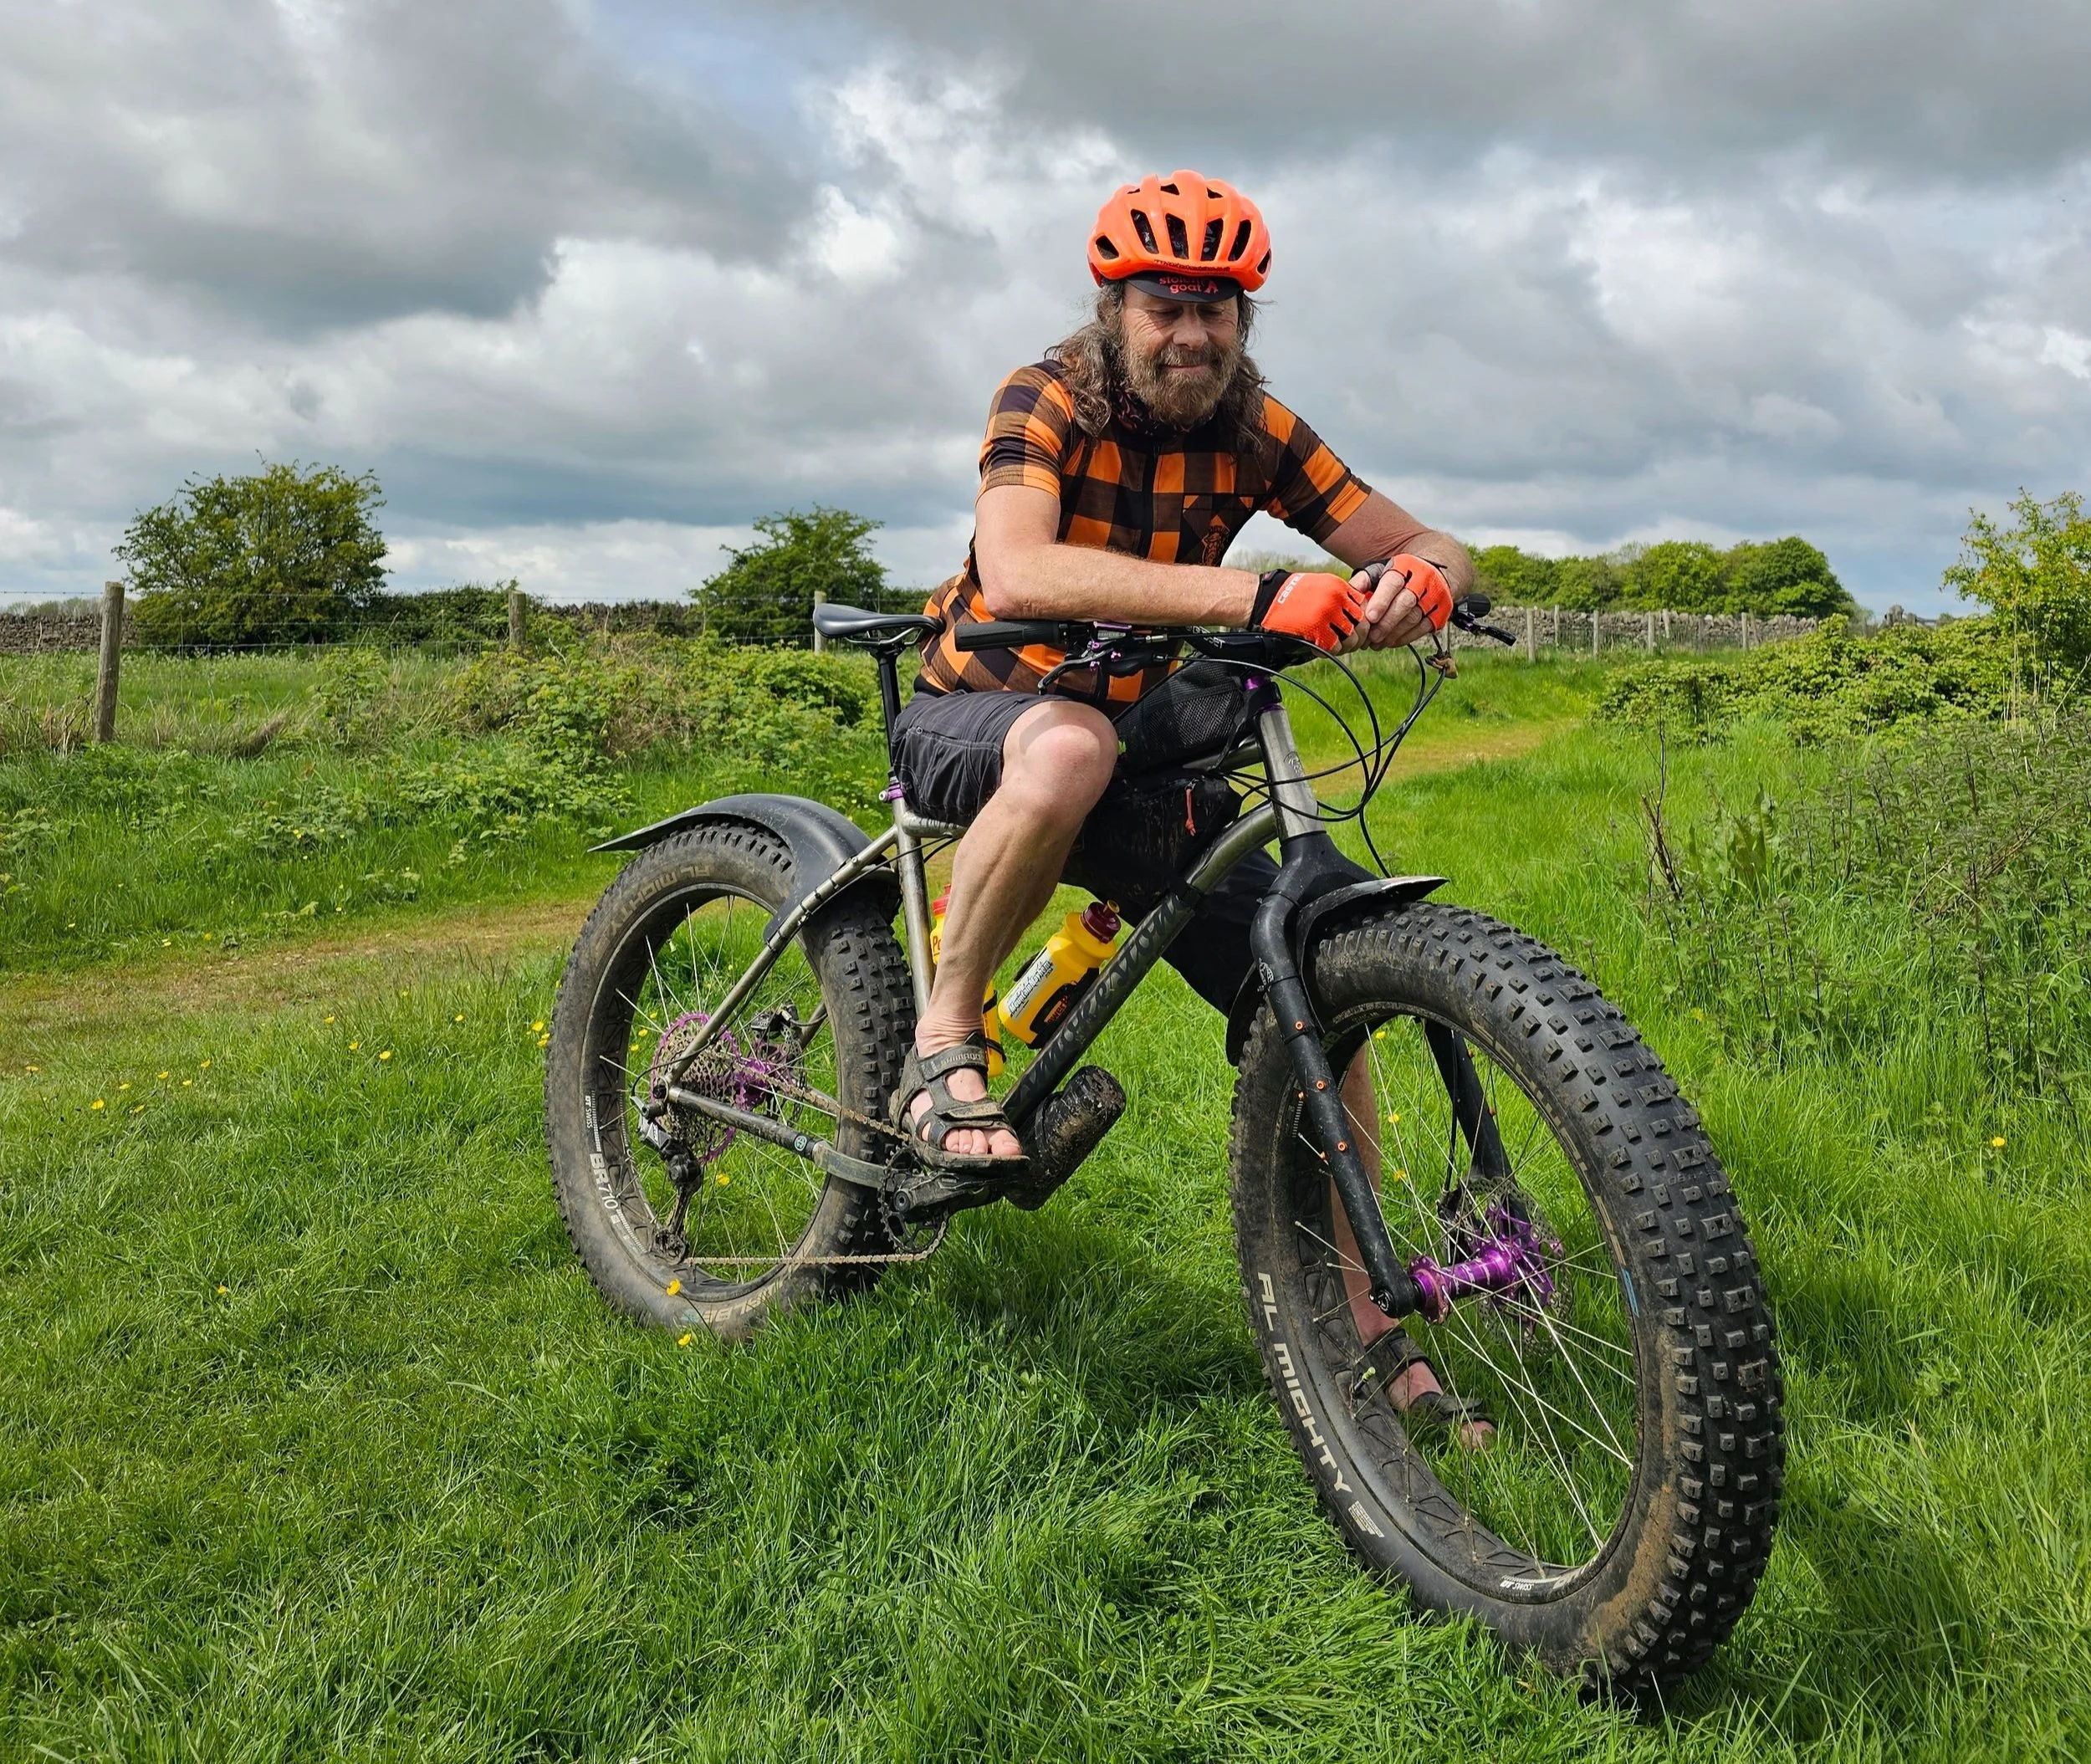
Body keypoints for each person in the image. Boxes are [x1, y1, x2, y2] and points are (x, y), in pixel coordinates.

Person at [891, 171, 1487, 1441]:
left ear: (1244, 319)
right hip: (978, 712)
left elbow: (1430, 543)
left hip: (1131, 736)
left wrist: (1419, 587)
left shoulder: (1256, 424)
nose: (1192, 333)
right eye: (1166, 304)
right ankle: (946, 1044)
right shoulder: (1043, 393)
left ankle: (1368, 1326)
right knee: (1063, 754)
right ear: (1115, 305)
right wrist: (1254, 599)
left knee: (1323, 992)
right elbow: (1019, 564)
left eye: (1219, 308)